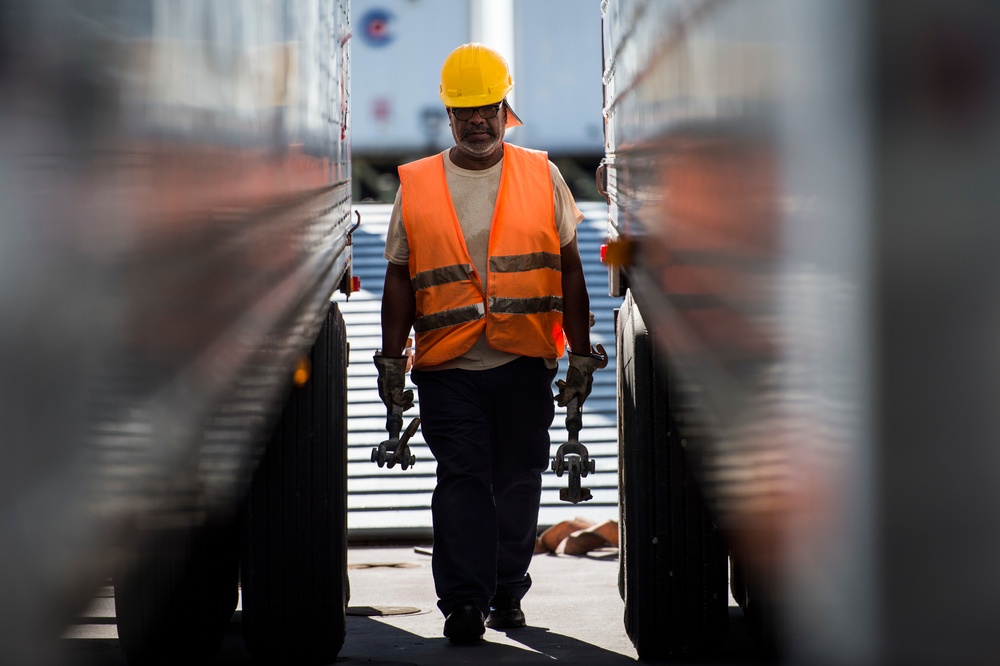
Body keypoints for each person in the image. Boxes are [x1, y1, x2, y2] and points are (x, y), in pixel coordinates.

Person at [374, 42, 607, 645]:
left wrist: (579, 352)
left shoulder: (541, 174)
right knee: (462, 478)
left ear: (507, 111)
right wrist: (392, 359)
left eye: (489, 108)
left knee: (519, 477)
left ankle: (508, 587)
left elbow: (571, 268)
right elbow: (398, 275)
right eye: (465, 111)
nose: (478, 120)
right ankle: (463, 602)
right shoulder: (419, 184)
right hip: (448, 364)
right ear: (448, 116)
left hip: (524, 357)